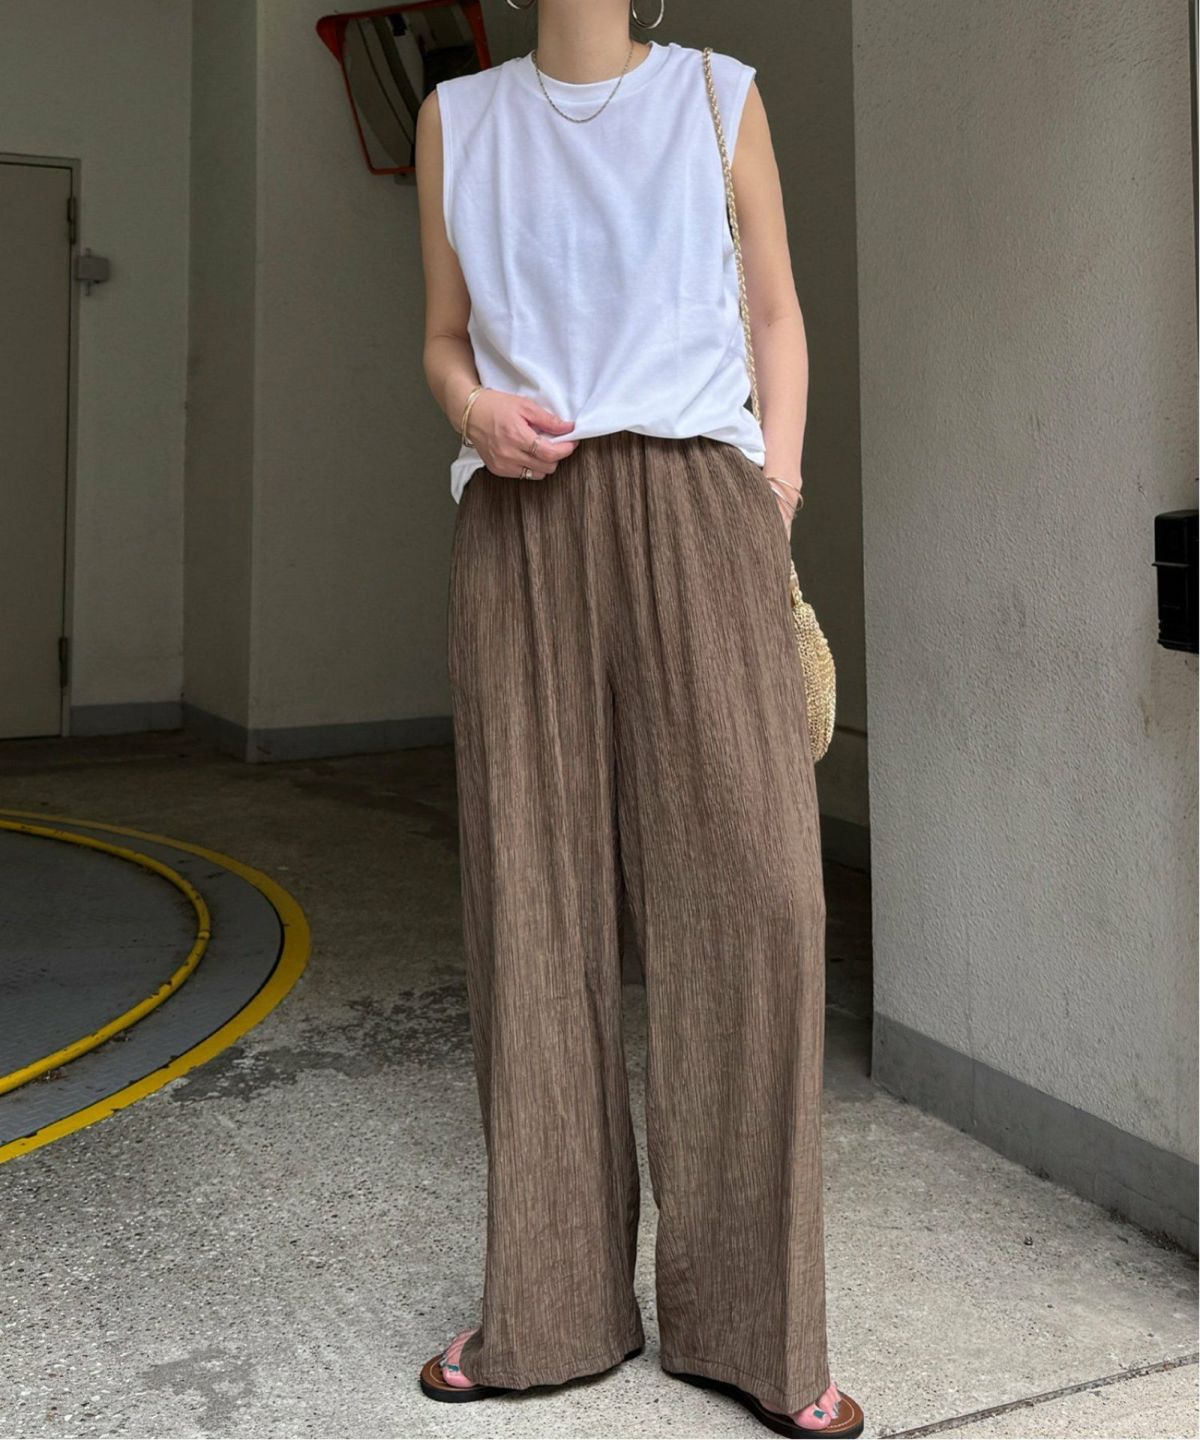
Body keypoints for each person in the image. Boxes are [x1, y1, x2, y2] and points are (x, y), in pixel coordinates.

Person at [414, 2, 863, 1435]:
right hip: (523, 521)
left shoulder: (718, 96)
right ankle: (549, 1307)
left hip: (701, 505)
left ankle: (758, 1325)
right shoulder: (455, 120)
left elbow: (777, 314)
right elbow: (441, 339)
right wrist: (473, 414)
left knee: (760, 900)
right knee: (533, 904)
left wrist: (772, 494)